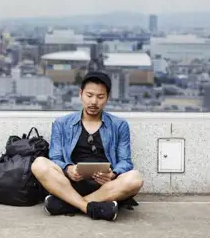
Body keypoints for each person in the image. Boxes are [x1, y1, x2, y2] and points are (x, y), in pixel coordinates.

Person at [31, 70, 144, 221]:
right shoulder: (62, 123)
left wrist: (113, 174)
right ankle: (91, 207)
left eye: (100, 97)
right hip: (71, 183)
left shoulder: (119, 125)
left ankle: (68, 204)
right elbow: (55, 157)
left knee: (135, 179)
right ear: (81, 94)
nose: (94, 102)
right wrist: (68, 169)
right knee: (39, 164)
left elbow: (125, 161)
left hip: (105, 186)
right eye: (89, 95)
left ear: (107, 98)